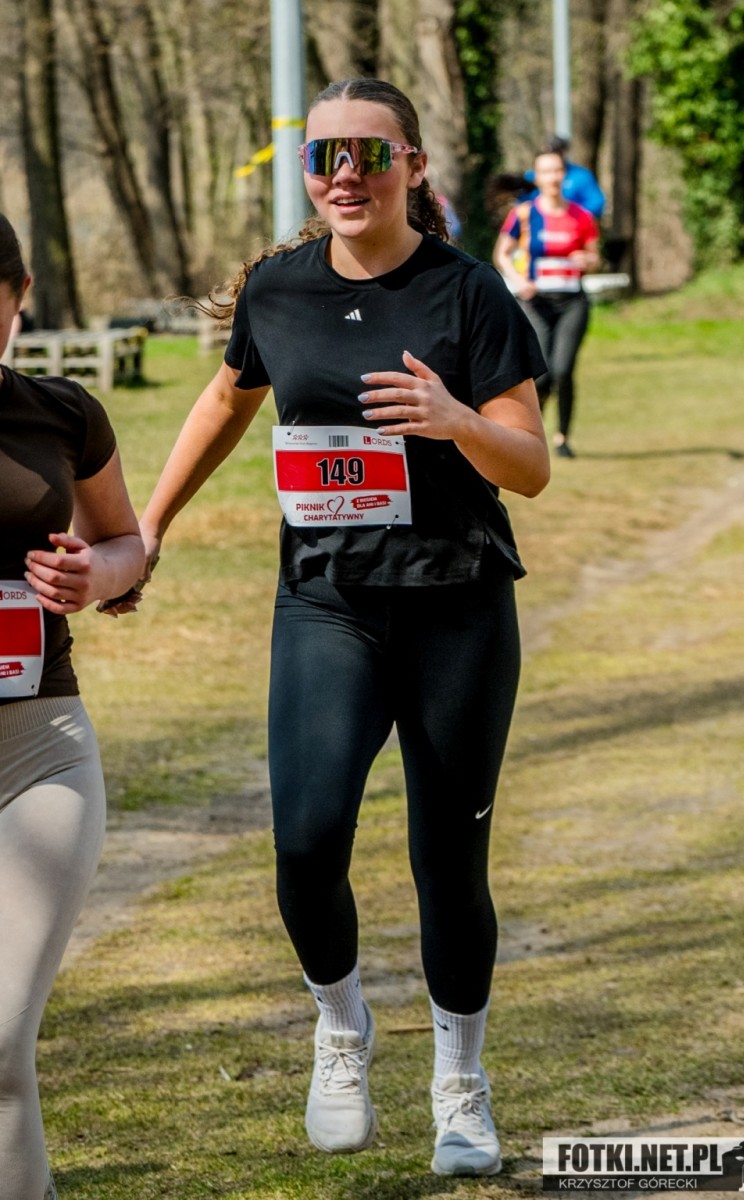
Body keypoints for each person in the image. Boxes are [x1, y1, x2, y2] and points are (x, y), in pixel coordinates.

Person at [131, 77, 549, 1178]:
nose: (346, 174)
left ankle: (459, 1082)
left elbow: (529, 465)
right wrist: (151, 525)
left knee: (446, 859)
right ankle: (340, 1026)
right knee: (307, 840)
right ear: (306, 170)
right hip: (326, 600)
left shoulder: (468, 291)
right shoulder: (278, 289)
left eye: (369, 153)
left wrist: (455, 420)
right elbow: (226, 399)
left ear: (412, 163)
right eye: (325, 156)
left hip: (457, 603)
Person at [0, 214, 145, 1200]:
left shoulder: (62, 413)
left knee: (0, 1040)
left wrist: (98, 574)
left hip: (37, 748)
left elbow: (126, 542)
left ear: (19, 299)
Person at [493, 146, 600, 459]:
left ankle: (562, 437)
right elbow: (501, 253)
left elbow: (595, 258)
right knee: (542, 374)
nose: (553, 177)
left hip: (573, 302)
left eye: (557, 171)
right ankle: (530, 430)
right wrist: (518, 281)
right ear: (536, 177)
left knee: (564, 370)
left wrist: (587, 260)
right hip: (535, 302)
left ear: (564, 175)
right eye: (546, 171)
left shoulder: (581, 216)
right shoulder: (524, 214)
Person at [522, 135, 606, 219]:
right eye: (550, 150)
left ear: (565, 152)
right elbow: (523, 200)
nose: (553, 178)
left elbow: (597, 202)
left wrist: (574, 215)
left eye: (557, 151)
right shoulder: (532, 176)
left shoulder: (581, 175)